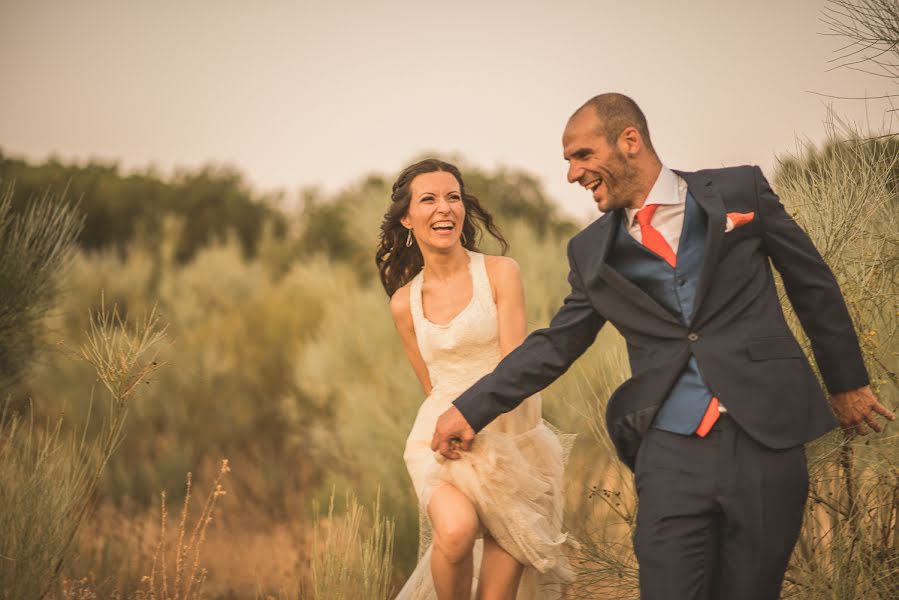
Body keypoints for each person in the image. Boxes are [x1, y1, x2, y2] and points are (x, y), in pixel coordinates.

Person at [431, 93, 895, 600]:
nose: (572, 174)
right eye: (568, 161)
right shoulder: (590, 251)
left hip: (765, 437)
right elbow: (555, 344)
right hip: (669, 449)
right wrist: (470, 408)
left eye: (582, 155)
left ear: (629, 141)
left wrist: (847, 383)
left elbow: (813, 285)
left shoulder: (741, 190)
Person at [376, 158, 576, 600]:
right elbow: (431, 386)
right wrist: (454, 426)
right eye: (428, 199)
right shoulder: (403, 304)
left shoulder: (500, 274)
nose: (444, 208)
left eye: (453, 197)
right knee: (455, 530)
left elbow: (515, 366)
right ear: (407, 218)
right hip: (444, 441)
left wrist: (477, 418)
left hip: (513, 443)